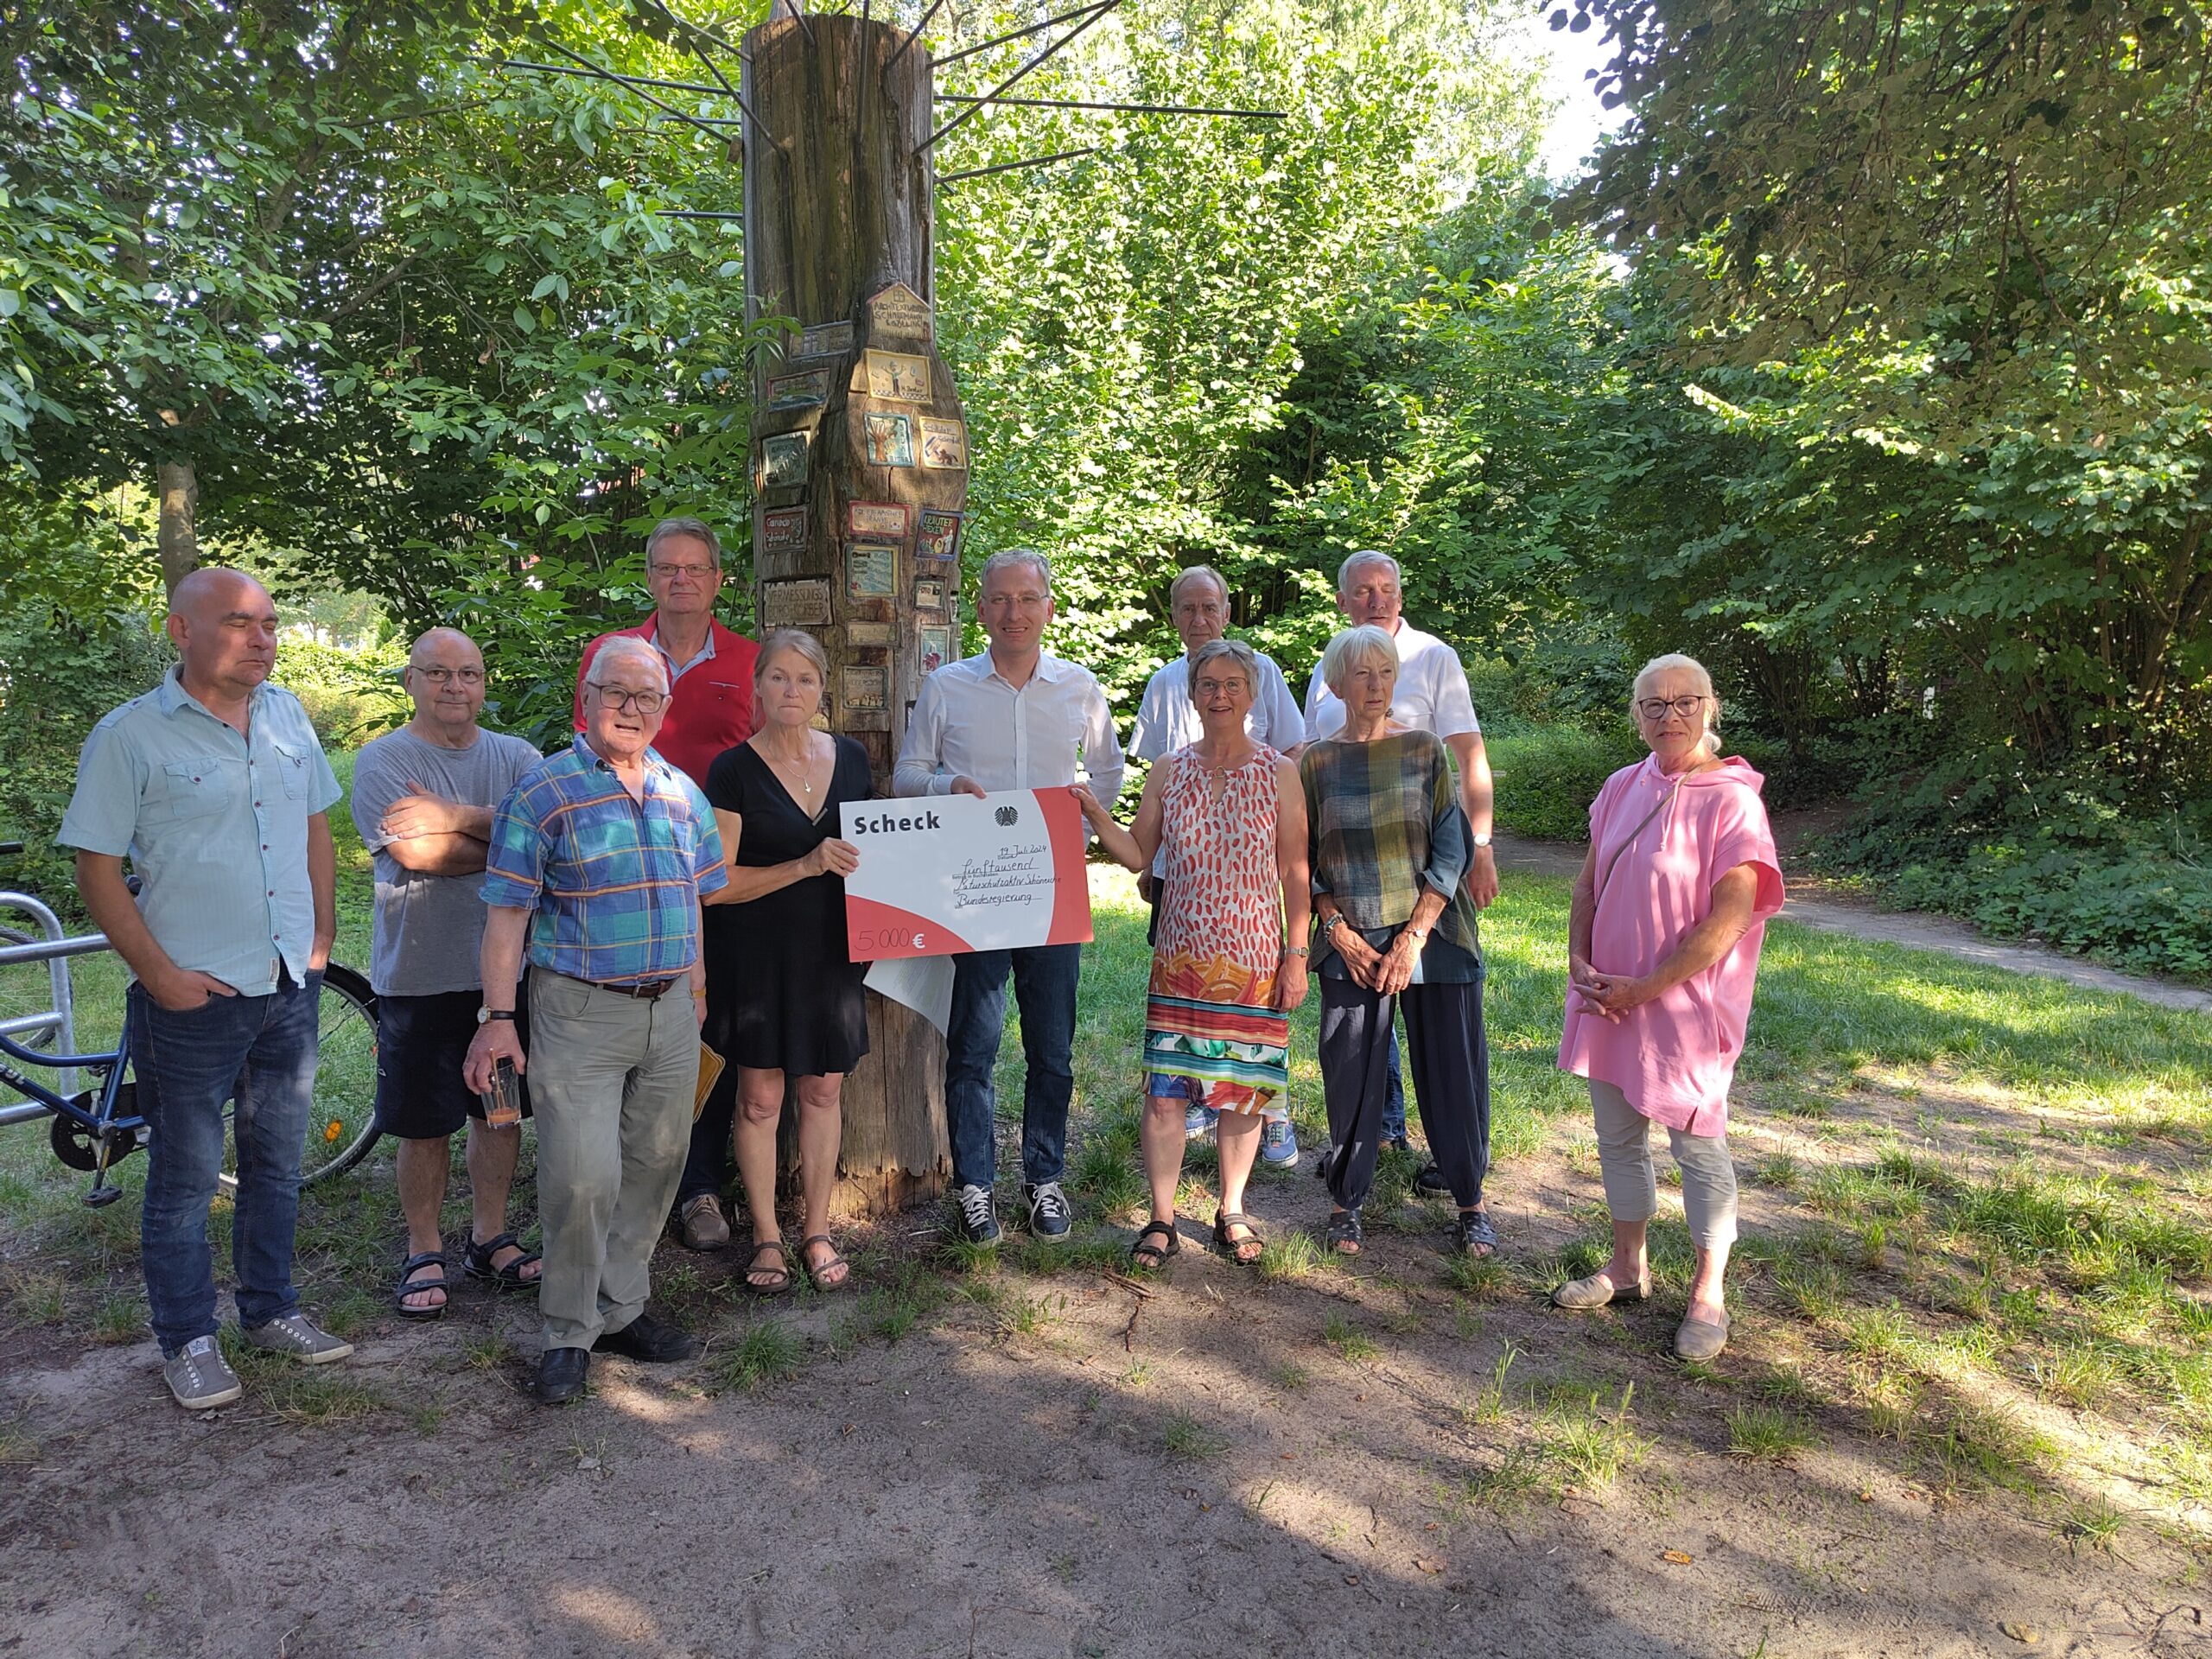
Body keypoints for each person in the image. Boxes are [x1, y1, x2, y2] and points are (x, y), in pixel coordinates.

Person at [59, 568, 353, 1410]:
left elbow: (314, 828)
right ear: (181, 632)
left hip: (286, 986)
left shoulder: (289, 715)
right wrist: (156, 973)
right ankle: (187, 1339)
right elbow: (97, 864)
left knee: (275, 1164)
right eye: (238, 623)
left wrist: (321, 938)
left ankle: (271, 1312)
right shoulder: (130, 736)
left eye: (268, 622)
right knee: (185, 1179)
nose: (263, 637)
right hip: (190, 999)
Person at [468, 636, 728, 1405]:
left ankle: (622, 1310)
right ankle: (567, 1331)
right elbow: (507, 916)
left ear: (665, 708)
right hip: (578, 1010)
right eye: (616, 692)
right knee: (582, 1177)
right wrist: (497, 1017)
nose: (631, 708)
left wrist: (698, 984)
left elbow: (694, 899)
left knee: (655, 1166)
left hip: (672, 1009)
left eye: (647, 696)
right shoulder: (542, 792)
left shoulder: (684, 793)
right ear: (586, 697)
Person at [893, 549, 1126, 1244]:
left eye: (1028, 599)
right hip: (977, 890)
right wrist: (947, 789)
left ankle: (1044, 1179)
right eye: (1000, 599)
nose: (1014, 613)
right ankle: (975, 1186)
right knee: (975, 1044)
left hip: (1052, 889)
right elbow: (909, 772)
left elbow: (1108, 768)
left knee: (1052, 1047)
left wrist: (1084, 827)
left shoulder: (1078, 687)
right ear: (982, 608)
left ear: (1049, 607)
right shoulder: (948, 687)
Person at [1554, 654, 1783, 1361]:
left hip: (1684, 1006)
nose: (1669, 716)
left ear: (1711, 709)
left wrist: (1647, 987)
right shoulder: (1621, 784)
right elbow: (1590, 883)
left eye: (1685, 702)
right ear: (1636, 716)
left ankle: (1709, 1292)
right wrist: (1580, 962)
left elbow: (1731, 919)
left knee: (1697, 1142)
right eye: (1653, 705)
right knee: (1617, 1134)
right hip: (1608, 996)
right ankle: (1629, 1268)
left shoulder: (1733, 798)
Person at [1078, 639, 1310, 1268]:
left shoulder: (1279, 773)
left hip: (1255, 962)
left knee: (1243, 1091)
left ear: (1252, 693)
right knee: (1166, 1093)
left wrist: (1297, 954)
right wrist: (1095, 810)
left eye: (1233, 684)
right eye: (1208, 683)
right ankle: (1160, 1217)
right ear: (1192, 693)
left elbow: (1295, 871)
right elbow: (1136, 855)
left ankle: (1231, 1208)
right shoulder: (1168, 771)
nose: (1220, 695)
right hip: (1179, 960)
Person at [570, 517, 760, 1254]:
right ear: (649, 577)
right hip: (624, 875)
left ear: (717, 580)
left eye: (696, 568)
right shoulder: (613, 655)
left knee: (706, 1029)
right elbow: (583, 750)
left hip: (715, 875)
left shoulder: (748, 661)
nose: (681, 579)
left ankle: (699, 1185)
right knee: (625, 1027)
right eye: (667, 568)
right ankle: (615, 1177)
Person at [348, 628, 543, 1319]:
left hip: (506, 978)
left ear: (484, 682)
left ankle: (489, 1236)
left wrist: (454, 817)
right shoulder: (382, 761)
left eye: (469, 673)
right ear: (410, 681)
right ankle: (423, 1247)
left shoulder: (517, 755)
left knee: (500, 1112)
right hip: (420, 976)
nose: (455, 687)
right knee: (424, 1123)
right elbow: (419, 856)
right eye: (438, 674)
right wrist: (504, 838)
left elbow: (546, 836)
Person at [1302, 551, 1498, 1179]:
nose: (1377, 599)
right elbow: (1309, 769)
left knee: (1445, 1028)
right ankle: (1380, 1134)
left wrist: (1481, 846)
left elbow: (1467, 753)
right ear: (1343, 599)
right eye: (1363, 590)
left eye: (1387, 589)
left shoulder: (1434, 658)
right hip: (1355, 888)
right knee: (1364, 1024)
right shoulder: (1324, 669)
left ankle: (1459, 1160)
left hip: (1425, 875)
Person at [700, 631, 871, 1295]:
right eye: (777, 678)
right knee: (761, 1095)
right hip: (756, 953)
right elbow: (716, 883)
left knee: (823, 1089)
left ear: (822, 688)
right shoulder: (733, 770)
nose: (790, 691)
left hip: (833, 954)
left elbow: (883, 854)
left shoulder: (852, 759)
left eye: (803, 679)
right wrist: (804, 864)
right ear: (758, 688)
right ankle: (768, 1236)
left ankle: (818, 1229)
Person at [1126, 565, 1307, 1168]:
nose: (1199, 618)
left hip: (1252, 923)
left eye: (1210, 606)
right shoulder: (1162, 691)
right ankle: (1192, 1121)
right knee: (1174, 1073)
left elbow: (1295, 867)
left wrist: (1298, 953)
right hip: (1182, 898)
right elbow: (1148, 816)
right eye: (1187, 608)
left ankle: (1265, 1129)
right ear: (1174, 616)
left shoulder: (1267, 686)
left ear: (1227, 610)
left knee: (1248, 1072)